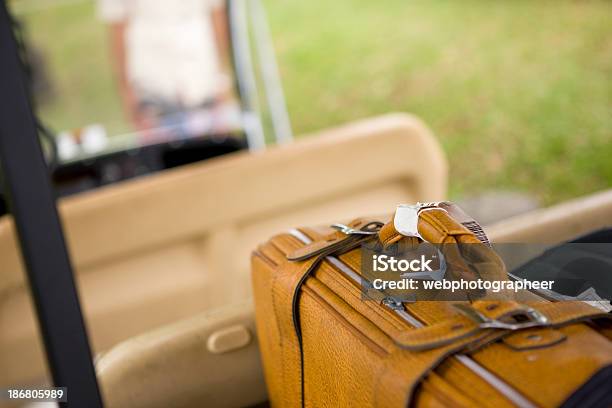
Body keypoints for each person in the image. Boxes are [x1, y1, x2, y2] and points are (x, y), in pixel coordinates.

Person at [98, 0, 232, 132]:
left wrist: (221, 77)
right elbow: (117, 25)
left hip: (203, 80)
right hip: (151, 88)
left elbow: (217, 13)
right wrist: (126, 92)